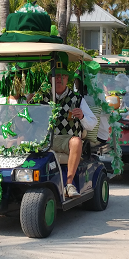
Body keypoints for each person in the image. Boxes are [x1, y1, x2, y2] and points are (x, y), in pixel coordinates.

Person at [48, 53, 97, 198]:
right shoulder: (42, 97)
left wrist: (82, 116)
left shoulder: (77, 99)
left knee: (76, 141)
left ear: (67, 79)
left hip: (66, 140)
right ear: (51, 79)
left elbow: (92, 123)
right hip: (46, 139)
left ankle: (69, 184)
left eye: (62, 76)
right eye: (56, 76)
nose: (59, 79)